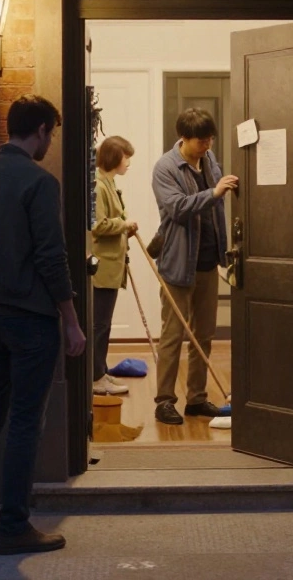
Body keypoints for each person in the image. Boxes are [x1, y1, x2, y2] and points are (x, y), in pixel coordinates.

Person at [0, 94, 86, 556]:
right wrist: (70, 319)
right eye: (53, 132)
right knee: (26, 422)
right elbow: (52, 258)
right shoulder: (38, 182)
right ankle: (14, 526)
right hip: (30, 321)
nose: (52, 140)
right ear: (43, 130)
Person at [149, 108, 237, 425]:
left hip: (208, 262)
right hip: (177, 265)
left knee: (205, 335)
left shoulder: (209, 161)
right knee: (173, 335)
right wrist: (213, 192)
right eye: (202, 140)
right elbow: (177, 208)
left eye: (211, 139)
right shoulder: (166, 168)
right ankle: (164, 401)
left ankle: (196, 399)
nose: (208, 145)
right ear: (184, 138)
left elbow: (215, 208)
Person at [91, 135, 138, 396]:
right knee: (99, 325)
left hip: (111, 267)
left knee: (103, 325)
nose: (128, 162)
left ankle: (100, 370)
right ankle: (96, 377)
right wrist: (125, 225)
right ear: (114, 158)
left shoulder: (109, 183)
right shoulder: (98, 186)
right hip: (103, 269)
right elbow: (97, 225)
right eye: (126, 156)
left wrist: (123, 229)